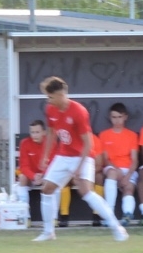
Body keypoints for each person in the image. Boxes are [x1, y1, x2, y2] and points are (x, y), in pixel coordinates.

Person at [33, 76, 128, 242]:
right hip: (63, 155)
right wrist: (45, 156)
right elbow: (51, 133)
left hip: (82, 155)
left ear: (61, 95)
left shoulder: (79, 111)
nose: (48, 100)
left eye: (51, 97)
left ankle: (117, 228)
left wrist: (78, 168)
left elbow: (88, 143)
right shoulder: (50, 109)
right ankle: (48, 232)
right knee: (46, 190)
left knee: (86, 192)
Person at [98, 102, 139, 225]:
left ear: (125, 117)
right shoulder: (104, 135)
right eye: (114, 117)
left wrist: (127, 176)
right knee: (112, 173)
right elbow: (106, 159)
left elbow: (134, 160)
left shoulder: (132, 135)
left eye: (119, 117)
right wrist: (117, 170)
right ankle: (109, 215)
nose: (117, 120)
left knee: (129, 188)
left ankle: (127, 215)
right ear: (110, 118)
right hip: (112, 168)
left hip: (128, 169)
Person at [15, 119, 49, 207]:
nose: (34, 135)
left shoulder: (50, 143)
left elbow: (53, 164)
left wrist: (43, 175)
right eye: (32, 132)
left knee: (51, 180)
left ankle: (49, 210)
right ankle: (23, 208)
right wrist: (33, 176)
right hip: (31, 177)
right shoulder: (25, 143)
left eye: (37, 132)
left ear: (44, 132)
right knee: (22, 177)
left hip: (46, 176)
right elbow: (24, 166)